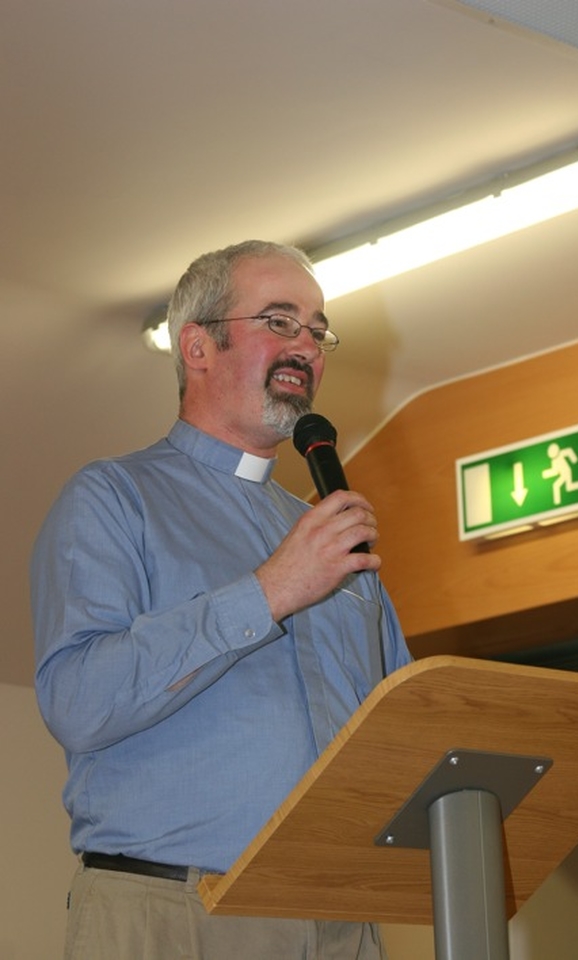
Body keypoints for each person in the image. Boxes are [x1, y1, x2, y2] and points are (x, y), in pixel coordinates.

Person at [31, 240, 412, 960]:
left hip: (340, 922)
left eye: (317, 328)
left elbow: (405, 727)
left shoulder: (327, 533)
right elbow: (78, 701)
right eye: (280, 320)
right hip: (173, 914)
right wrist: (271, 592)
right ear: (197, 347)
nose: (307, 345)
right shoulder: (113, 498)